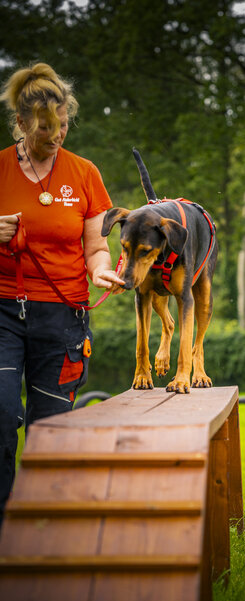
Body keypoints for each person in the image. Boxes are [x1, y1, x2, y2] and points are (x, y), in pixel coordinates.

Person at [0, 62, 125, 522]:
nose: (58, 136)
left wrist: (100, 271)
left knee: (49, 428)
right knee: (0, 413)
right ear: (21, 124)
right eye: (47, 129)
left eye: (64, 125)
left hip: (63, 317)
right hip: (3, 312)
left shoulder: (85, 173)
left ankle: (42, 526)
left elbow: (95, 246)